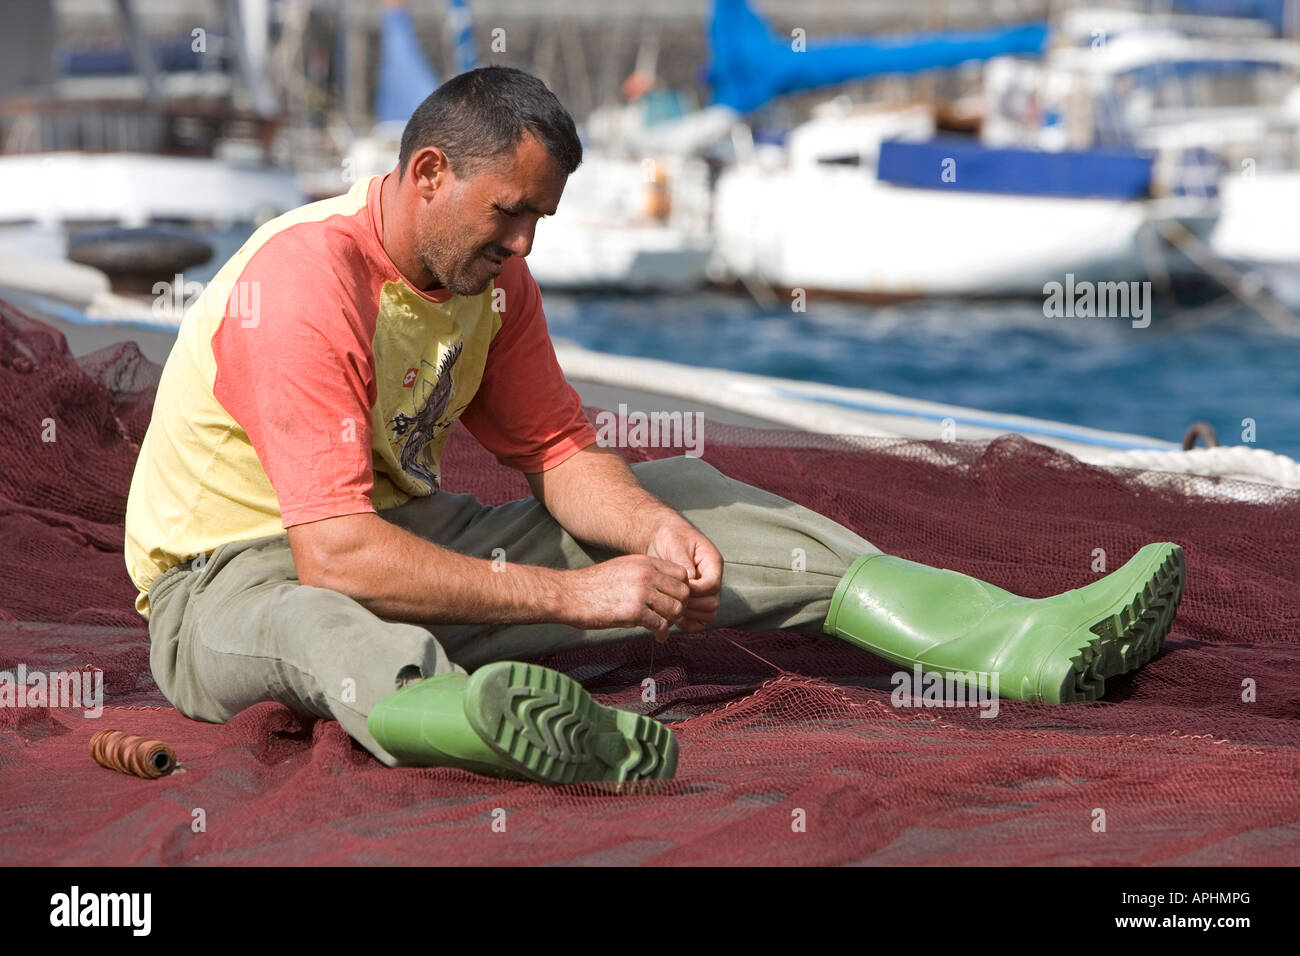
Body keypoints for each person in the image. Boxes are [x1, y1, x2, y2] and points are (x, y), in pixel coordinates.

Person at [124, 67, 1185, 786]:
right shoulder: (306, 278)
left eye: (541, 219)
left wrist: (646, 532)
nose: (526, 244)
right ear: (430, 174)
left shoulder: (493, 281)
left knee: (682, 492)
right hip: (225, 583)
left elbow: (556, 455)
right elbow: (334, 553)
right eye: (510, 214)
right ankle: (476, 721)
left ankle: (1014, 639)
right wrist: (579, 595)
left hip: (404, 538)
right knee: (327, 629)